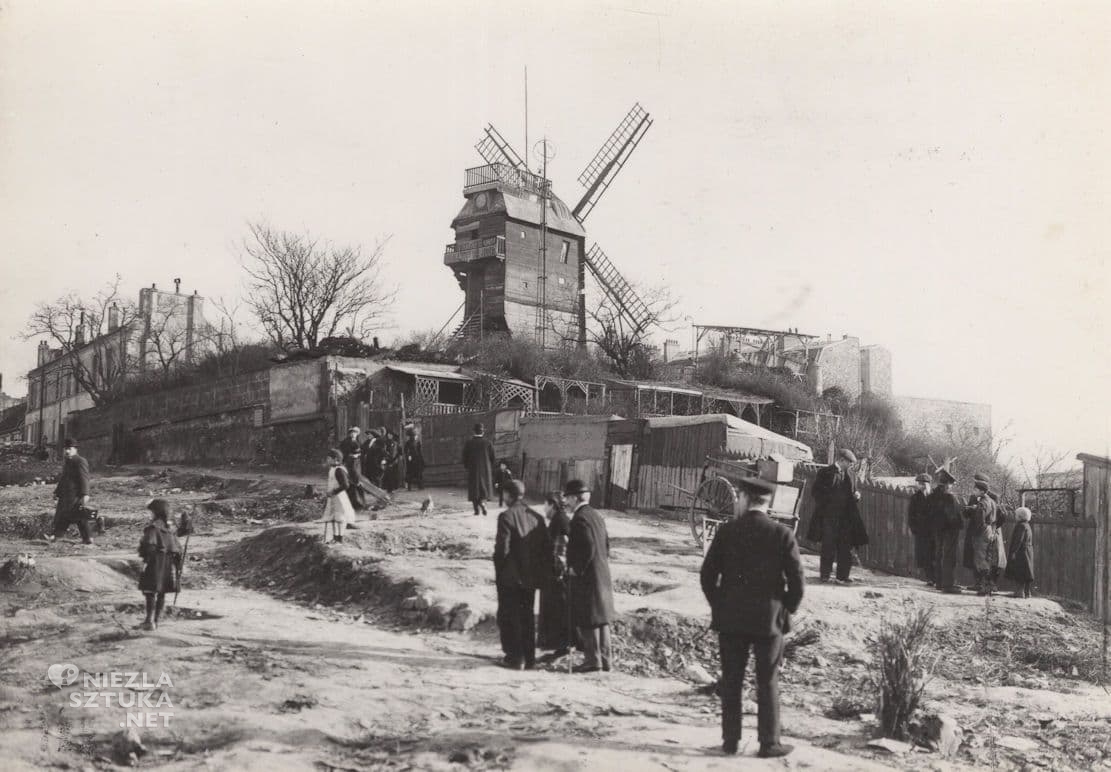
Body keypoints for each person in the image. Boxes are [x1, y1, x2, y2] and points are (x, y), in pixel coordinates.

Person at [701, 475, 804, 758]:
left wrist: (719, 605)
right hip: (768, 622)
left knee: (732, 680)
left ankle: (730, 742)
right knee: (767, 681)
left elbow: (707, 575)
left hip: (731, 619)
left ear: (745, 499)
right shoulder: (783, 534)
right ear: (768, 502)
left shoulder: (727, 531)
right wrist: (785, 610)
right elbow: (797, 582)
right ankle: (769, 744)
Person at [493, 480, 552, 670]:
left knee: (510, 616)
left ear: (508, 495)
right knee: (527, 617)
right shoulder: (537, 517)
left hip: (510, 579)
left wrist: (500, 572)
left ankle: (514, 658)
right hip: (530, 578)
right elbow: (546, 550)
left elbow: (502, 550)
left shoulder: (506, 517)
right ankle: (530, 658)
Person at [563, 479, 615, 673]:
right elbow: (606, 544)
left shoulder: (579, 518)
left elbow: (588, 546)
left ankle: (593, 661)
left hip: (587, 576)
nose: (565, 502)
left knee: (589, 617)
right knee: (601, 618)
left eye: (567, 498)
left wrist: (576, 568)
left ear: (575, 498)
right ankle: (605, 660)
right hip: (601, 572)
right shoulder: (596, 515)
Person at [806, 448, 868, 584]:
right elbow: (815, 492)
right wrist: (827, 505)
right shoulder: (825, 472)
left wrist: (857, 495)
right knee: (828, 546)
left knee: (846, 547)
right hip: (829, 517)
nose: (851, 466)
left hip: (846, 519)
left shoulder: (851, 475)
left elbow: (854, 491)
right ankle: (825, 575)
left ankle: (842, 576)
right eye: (849, 463)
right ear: (842, 460)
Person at [138, 498, 183, 631]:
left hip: (155, 562)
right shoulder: (169, 529)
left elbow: (149, 546)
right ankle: (156, 621)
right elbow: (177, 549)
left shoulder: (153, 528)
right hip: (168, 563)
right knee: (161, 591)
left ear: (155, 512)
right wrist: (178, 566)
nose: (149, 515)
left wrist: (145, 561)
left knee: (150, 591)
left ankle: (149, 621)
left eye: (150, 512)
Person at [537, 492, 572, 657]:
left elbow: (561, 551)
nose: (544, 508)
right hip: (554, 576)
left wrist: (557, 574)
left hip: (556, 578)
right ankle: (559, 647)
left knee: (557, 612)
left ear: (552, 505)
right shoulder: (559, 520)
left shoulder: (560, 522)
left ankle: (561, 648)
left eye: (545, 504)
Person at [43, 438, 94, 546]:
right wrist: (56, 492)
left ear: (75, 449)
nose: (67, 451)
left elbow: (84, 478)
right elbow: (63, 479)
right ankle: (86, 538)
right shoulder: (68, 462)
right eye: (65, 449)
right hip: (66, 495)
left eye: (69, 449)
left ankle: (56, 537)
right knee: (71, 516)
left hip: (75, 495)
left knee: (74, 516)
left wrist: (85, 494)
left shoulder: (80, 461)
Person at [928, 469, 965, 594]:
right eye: (951, 485)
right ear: (948, 484)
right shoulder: (949, 497)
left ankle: (939, 582)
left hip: (937, 529)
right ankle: (948, 584)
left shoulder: (933, 495)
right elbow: (952, 516)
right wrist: (959, 523)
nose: (951, 487)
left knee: (939, 554)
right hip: (950, 530)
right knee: (949, 555)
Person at [965, 476, 1003, 594]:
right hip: (989, 530)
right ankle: (984, 586)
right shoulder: (991, 501)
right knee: (985, 557)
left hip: (982, 532)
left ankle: (984, 588)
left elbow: (979, 520)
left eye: (975, 490)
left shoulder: (983, 503)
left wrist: (975, 534)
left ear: (982, 491)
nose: (973, 492)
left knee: (981, 559)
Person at [462, 423, 496, 516]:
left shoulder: (469, 443)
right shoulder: (488, 443)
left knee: (474, 489)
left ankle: (476, 510)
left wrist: (467, 466)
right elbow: (493, 458)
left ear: (474, 431)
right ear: (483, 432)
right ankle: (483, 503)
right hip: (485, 470)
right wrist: (489, 467)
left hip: (473, 470)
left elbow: (464, 457)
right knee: (483, 489)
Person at [908, 473, 935, 585]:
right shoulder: (915, 498)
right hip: (921, 531)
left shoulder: (934, 497)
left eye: (923, 484)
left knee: (934, 554)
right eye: (919, 484)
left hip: (933, 531)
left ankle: (935, 578)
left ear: (928, 484)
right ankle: (929, 578)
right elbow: (911, 515)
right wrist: (914, 528)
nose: (921, 486)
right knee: (923, 554)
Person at [323, 449, 355, 543]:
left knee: (340, 518)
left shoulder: (339, 470)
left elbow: (345, 485)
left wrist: (334, 491)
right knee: (333, 517)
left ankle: (340, 538)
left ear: (335, 459)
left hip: (339, 497)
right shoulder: (332, 469)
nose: (327, 460)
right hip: (332, 497)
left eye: (329, 459)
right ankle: (335, 537)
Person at [1005, 506, 1035, 598]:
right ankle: (1027, 593)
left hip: (1021, 552)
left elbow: (1019, 540)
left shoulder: (1020, 526)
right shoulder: (1027, 525)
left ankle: (1019, 593)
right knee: (1027, 572)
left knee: (1020, 572)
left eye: (1016, 515)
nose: (1015, 516)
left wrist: (1014, 552)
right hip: (1028, 551)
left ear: (1020, 516)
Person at [403, 425, 425, 491]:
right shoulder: (408, 443)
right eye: (412, 435)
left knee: (418, 472)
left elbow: (419, 451)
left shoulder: (417, 442)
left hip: (417, 459)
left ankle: (420, 485)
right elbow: (406, 451)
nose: (414, 436)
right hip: (411, 459)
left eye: (414, 435)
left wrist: (421, 458)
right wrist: (408, 456)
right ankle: (409, 486)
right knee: (410, 472)